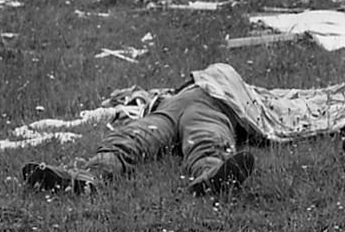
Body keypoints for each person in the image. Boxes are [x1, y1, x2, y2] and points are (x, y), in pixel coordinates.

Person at [23, 82, 256, 196]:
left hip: (212, 107)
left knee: (206, 137)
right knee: (129, 138)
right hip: (167, 112)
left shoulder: (239, 89)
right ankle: (88, 175)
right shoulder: (169, 95)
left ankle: (212, 175)